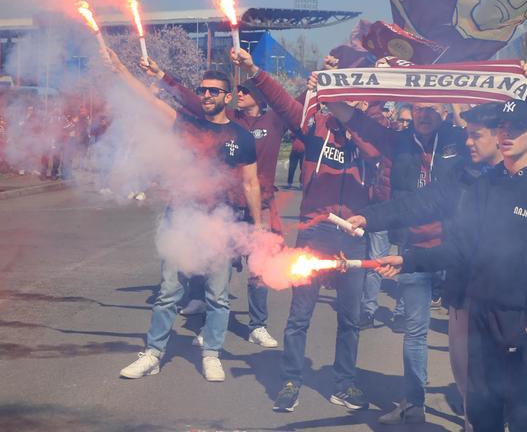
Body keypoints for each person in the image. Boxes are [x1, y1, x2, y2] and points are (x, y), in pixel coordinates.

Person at [377, 99, 527, 431]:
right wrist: (408, 259)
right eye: (504, 129)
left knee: (521, 409)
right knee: (481, 406)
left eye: (517, 130)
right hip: (478, 311)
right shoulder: (486, 184)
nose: (508, 136)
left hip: (516, 318)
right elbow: (460, 248)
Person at [347, 102, 505, 426]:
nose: (468, 143)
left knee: (502, 386)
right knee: (465, 371)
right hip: (458, 282)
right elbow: (417, 204)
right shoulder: (462, 177)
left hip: (506, 303)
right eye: (468, 136)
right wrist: (369, 218)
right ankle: (425, 405)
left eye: (475, 136)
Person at [233, 48, 371, 412]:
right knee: (299, 315)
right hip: (314, 231)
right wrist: (254, 70)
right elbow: (282, 104)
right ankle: (292, 379)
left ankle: (345, 382)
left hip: (354, 236)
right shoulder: (315, 126)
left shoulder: (370, 132)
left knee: (350, 317)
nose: (350, 98)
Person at [114, 55, 261, 383]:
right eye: (202, 90)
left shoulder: (242, 137)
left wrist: (258, 226)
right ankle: (153, 353)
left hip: (221, 223)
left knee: (218, 296)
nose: (206, 95)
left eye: (213, 91)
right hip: (180, 218)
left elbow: (251, 183)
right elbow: (146, 99)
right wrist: (120, 69)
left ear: (226, 96)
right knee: (169, 291)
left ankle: (212, 353)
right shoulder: (187, 122)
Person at [325, 95, 468, 425]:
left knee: (465, 336)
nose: (425, 114)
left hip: (456, 249)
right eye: (419, 108)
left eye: (432, 108)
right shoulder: (399, 141)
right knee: (415, 331)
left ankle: (472, 402)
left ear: (445, 111)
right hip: (413, 252)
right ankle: (414, 401)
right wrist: (328, 95)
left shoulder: (461, 142)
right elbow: (361, 124)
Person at [141, 57, 289, 348]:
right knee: (214, 266)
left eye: (246, 91)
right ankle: (206, 322)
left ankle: (257, 325)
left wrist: (255, 71)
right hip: (228, 206)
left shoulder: (275, 120)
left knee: (258, 264)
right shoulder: (228, 118)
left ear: (257, 96)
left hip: (259, 203)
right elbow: (190, 99)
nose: (242, 94)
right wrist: (162, 75)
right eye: (240, 91)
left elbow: (285, 101)